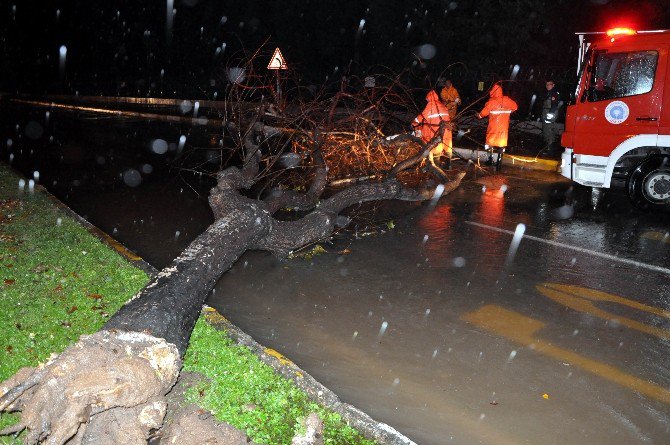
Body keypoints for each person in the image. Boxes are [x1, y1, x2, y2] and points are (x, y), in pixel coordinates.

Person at [477, 83, 517, 171]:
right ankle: (499, 162)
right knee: (501, 144)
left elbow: (483, 113)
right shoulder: (507, 100)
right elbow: (515, 107)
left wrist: (478, 116)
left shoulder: (492, 102)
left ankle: (490, 159)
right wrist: (509, 111)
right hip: (503, 128)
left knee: (489, 143)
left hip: (493, 127)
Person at [413, 90, 452, 168]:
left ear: (428, 98)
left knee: (436, 150)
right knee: (448, 149)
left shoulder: (430, 106)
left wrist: (413, 123)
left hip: (436, 132)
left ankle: (435, 168)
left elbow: (420, 118)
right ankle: (448, 166)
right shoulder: (442, 106)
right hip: (446, 132)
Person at [542, 80, 561, 150]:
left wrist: (549, 115)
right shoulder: (548, 93)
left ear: (553, 85)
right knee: (546, 129)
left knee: (549, 129)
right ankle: (547, 146)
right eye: (547, 84)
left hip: (550, 113)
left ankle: (550, 147)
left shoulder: (554, 93)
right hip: (546, 112)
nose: (547, 86)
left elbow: (554, 105)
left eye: (549, 84)